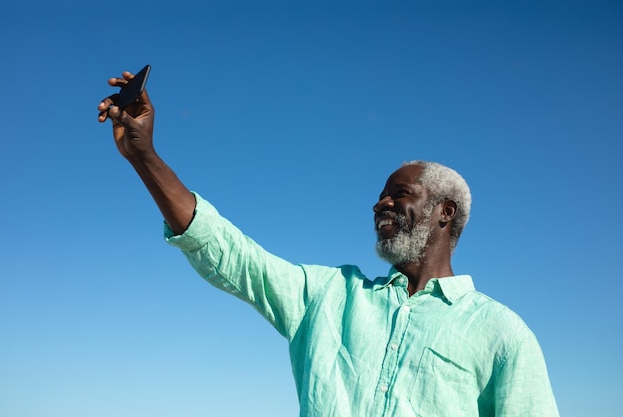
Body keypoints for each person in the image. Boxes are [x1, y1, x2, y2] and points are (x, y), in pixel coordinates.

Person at [98, 71, 560, 417]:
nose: (381, 203)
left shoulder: (502, 333)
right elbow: (230, 254)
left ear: (446, 212)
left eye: (400, 194)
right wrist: (144, 157)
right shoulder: (327, 296)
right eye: (380, 194)